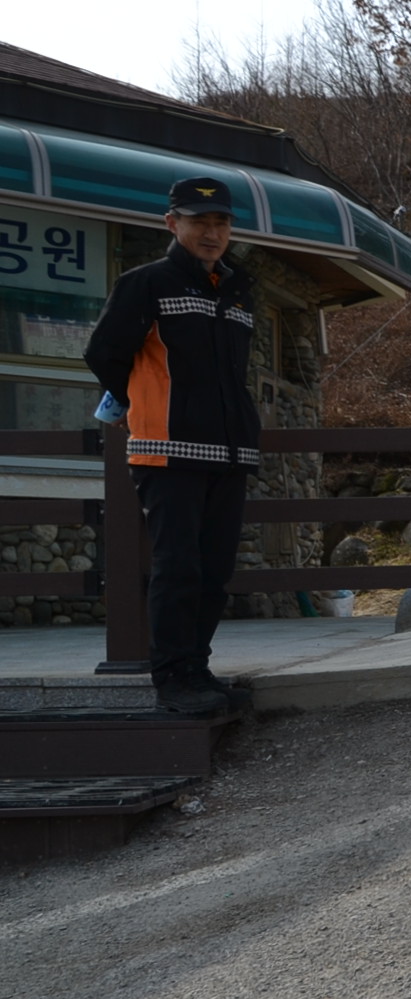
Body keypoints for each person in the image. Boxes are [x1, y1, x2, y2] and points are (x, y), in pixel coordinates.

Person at [82, 176, 263, 718]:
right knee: (178, 566)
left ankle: (196, 669)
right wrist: (137, 404)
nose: (212, 232)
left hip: (231, 453)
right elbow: (103, 353)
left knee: (214, 571)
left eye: (221, 222)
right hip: (167, 451)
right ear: (172, 224)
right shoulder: (146, 284)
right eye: (198, 221)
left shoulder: (238, 287)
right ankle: (173, 678)